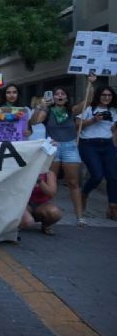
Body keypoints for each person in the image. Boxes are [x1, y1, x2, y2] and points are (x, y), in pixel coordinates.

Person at [31, 80, 91, 226]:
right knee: (52, 183)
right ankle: (50, 216)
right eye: (56, 94)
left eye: (62, 94)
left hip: (70, 147)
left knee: (73, 182)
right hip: (53, 148)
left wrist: (90, 82)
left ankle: (80, 216)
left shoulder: (72, 110)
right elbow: (34, 122)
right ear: (53, 97)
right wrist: (42, 106)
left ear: (66, 97)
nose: (59, 96)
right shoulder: (47, 110)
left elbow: (88, 100)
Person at [77, 84, 117, 220]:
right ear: (98, 96)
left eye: (109, 95)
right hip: (89, 144)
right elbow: (77, 125)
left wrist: (115, 147)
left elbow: (114, 131)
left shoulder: (113, 110)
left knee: (113, 176)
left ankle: (112, 207)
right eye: (104, 95)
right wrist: (94, 119)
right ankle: (84, 193)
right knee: (97, 175)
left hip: (107, 144)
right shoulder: (89, 108)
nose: (107, 98)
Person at [20, 171, 62, 235]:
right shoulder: (22, 170)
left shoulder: (49, 173)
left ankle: (45, 225)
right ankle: (14, 228)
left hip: (41, 205)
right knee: (28, 222)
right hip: (23, 203)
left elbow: (51, 193)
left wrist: (39, 181)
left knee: (55, 213)